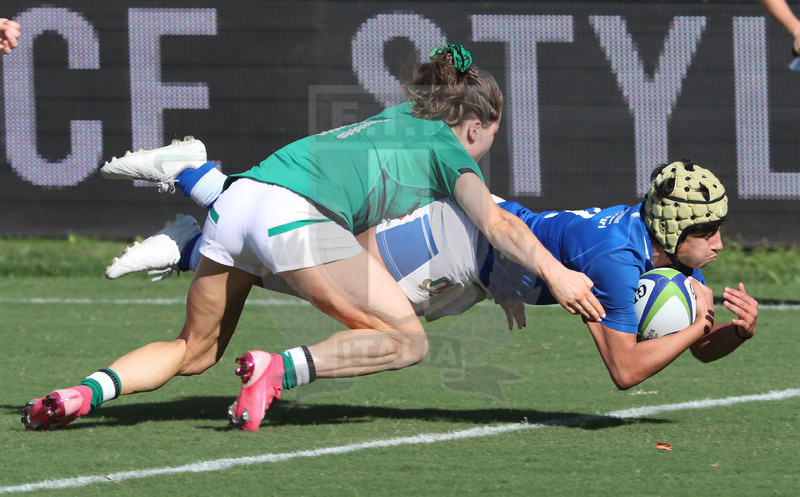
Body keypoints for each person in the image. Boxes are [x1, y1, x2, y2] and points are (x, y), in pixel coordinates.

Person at [21, 44, 604, 432]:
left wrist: (502, 280)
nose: (484, 152)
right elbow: (498, 224)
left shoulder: (402, 118)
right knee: (407, 341)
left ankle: (80, 394)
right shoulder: (448, 148)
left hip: (240, 201)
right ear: (473, 127)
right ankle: (277, 367)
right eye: (490, 138)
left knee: (193, 353)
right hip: (293, 216)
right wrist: (556, 273)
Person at [103, 160, 759, 392]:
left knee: (323, 275)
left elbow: (684, 345)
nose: (720, 243)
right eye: (709, 231)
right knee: (327, 275)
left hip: (477, 268)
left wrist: (730, 332)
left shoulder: (650, 245)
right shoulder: (618, 260)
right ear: (674, 227)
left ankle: (202, 221)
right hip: (457, 243)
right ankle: (202, 202)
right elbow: (626, 368)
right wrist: (699, 322)